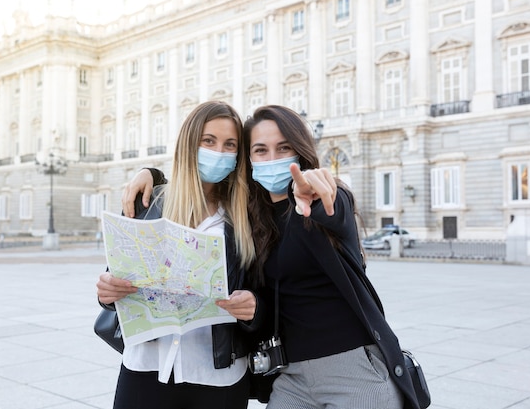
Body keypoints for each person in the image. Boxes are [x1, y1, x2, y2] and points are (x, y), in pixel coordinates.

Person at [123, 105, 421, 409]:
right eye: (261, 150)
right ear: (248, 160)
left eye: (284, 148)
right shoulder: (249, 219)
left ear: (300, 150)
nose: (273, 159)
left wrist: (316, 197)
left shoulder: (323, 199)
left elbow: (336, 208)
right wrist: (153, 174)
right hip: (291, 376)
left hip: (352, 368)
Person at [96, 100, 262, 409]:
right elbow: (114, 280)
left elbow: (265, 294)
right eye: (208, 141)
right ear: (189, 144)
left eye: (230, 145)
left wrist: (254, 306)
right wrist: (107, 291)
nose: (219, 152)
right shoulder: (150, 203)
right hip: (145, 368)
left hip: (218, 376)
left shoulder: (247, 216)